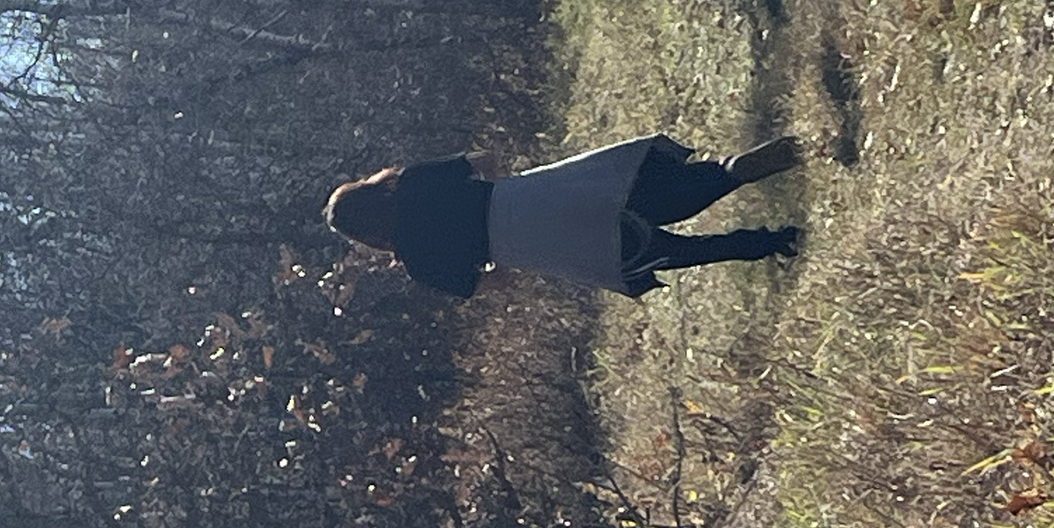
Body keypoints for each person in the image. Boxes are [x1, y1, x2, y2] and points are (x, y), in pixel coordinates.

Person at [323, 135, 804, 299]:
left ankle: (774, 241)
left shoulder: (419, 264)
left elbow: (493, 286)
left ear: (368, 236)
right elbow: (486, 159)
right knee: (658, 195)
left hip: (531, 245)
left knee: (666, 253)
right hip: (531, 196)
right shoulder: (413, 183)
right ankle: (728, 172)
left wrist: (494, 255)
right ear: (370, 189)